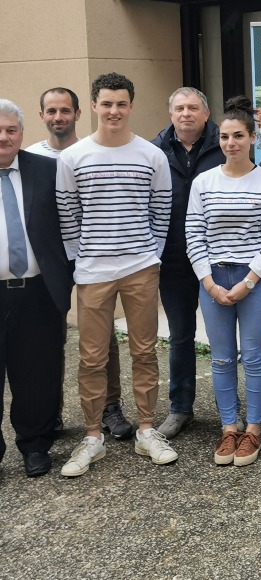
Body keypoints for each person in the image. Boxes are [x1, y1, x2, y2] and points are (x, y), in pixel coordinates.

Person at [56, 72, 176, 477]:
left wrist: (151, 254)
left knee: (144, 352)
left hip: (140, 267)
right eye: (106, 103)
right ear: (93, 105)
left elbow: (161, 209)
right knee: (91, 358)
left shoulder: (151, 155)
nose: (114, 111)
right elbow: (67, 212)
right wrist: (80, 258)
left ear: (131, 106)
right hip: (93, 270)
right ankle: (93, 437)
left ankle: (146, 430)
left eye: (121, 103)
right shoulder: (73, 157)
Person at [186, 96, 261, 467]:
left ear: (252, 138)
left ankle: (254, 430)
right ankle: (230, 427)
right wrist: (209, 282)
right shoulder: (204, 182)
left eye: (239, 136)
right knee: (222, 358)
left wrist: (249, 281)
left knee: (255, 358)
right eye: (225, 137)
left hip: (254, 280)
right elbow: (193, 233)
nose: (231, 143)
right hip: (213, 278)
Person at [25, 87, 132, 440]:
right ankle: (49, 413)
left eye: (65, 110)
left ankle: (109, 408)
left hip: (90, 256)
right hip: (46, 262)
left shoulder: (93, 151)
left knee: (102, 338)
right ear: (42, 115)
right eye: (51, 111)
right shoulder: (30, 158)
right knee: (47, 337)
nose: (59, 117)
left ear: (78, 114)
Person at [0, 99, 71, 477]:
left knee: (37, 374)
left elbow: (68, 225)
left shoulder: (46, 169)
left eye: (11, 130)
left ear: (22, 133)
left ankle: (35, 445)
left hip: (37, 291)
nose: (4, 137)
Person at [153, 87, 225, 438]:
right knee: (181, 336)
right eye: (179, 108)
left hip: (219, 260)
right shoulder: (154, 151)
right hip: (173, 260)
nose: (186, 114)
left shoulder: (224, 145)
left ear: (206, 114)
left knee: (222, 338)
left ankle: (230, 412)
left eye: (193, 108)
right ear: (171, 114)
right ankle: (181, 408)